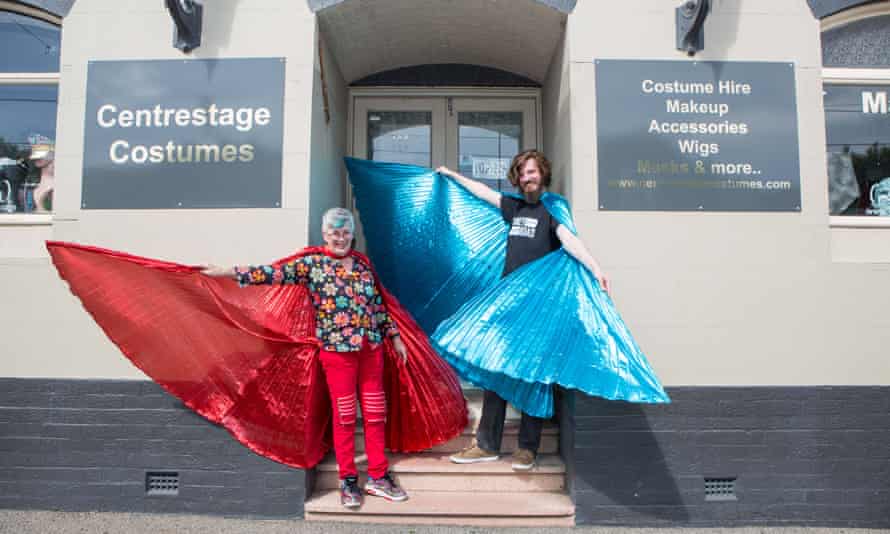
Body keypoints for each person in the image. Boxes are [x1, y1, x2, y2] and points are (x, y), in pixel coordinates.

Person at [202, 207, 408, 508]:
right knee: (345, 416)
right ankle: (348, 481)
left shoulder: (363, 266)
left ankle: (378, 477)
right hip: (337, 354)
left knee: (376, 414)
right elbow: (271, 273)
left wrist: (395, 336)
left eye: (345, 232)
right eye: (334, 233)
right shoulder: (311, 264)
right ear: (325, 235)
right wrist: (227, 271)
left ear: (352, 234)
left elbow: (377, 306)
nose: (340, 238)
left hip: (370, 350)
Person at [437, 150, 610, 471]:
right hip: (508, 304)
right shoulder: (514, 207)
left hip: (539, 308)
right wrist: (452, 175)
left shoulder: (552, 208)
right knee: (495, 368)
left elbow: (569, 240)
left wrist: (596, 267)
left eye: (532, 172)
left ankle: (527, 449)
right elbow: (484, 192)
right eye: (522, 173)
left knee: (535, 373)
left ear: (542, 174)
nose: (527, 177)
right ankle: (487, 445)